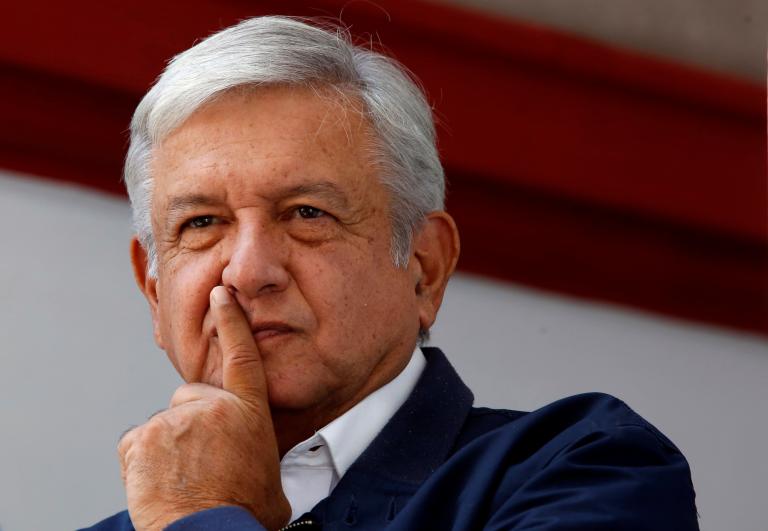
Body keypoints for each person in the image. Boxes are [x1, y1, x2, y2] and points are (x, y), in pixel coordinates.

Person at [82, 16, 699, 531]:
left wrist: (200, 516)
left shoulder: (587, 471)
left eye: (306, 213)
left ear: (425, 267)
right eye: (201, 224)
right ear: (155, 290)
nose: (249, 271)